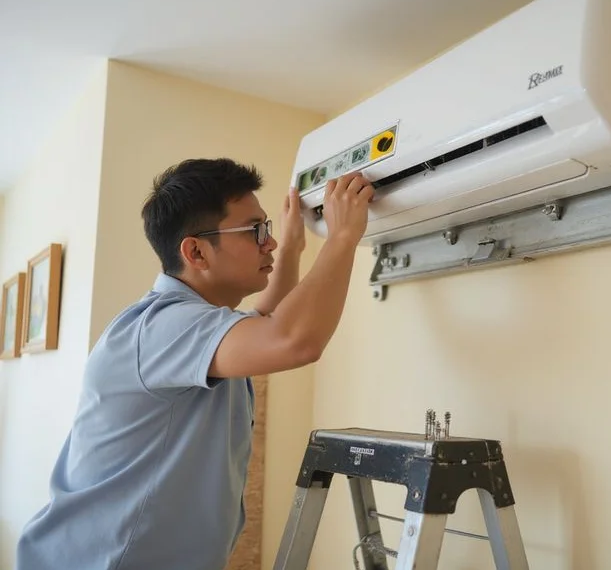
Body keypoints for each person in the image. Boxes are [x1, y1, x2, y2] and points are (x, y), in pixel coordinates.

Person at [15, 158, 374, 570]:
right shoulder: (160, 326)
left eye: (268, 230)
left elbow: (269, 325)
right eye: (256, 231)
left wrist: (292, 248)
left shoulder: (189, 324)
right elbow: (292, 340)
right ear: (196, 251)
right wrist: (343, 236)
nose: (269, 244)